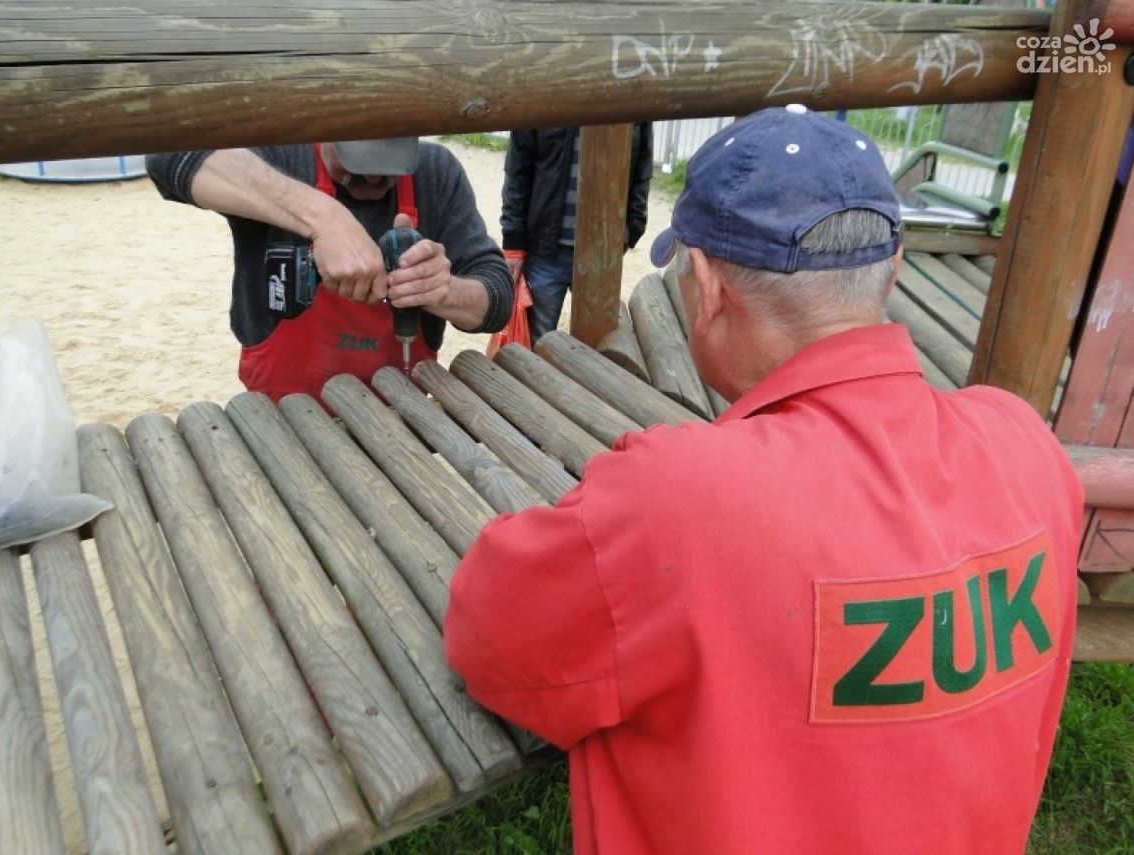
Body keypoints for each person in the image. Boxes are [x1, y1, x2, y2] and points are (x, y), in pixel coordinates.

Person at [444, 106, 1084, 854]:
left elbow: (491, 636)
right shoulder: (1029, 449)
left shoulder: (674, 501)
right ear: (891, 271)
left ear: (708, 287)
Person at [147, 137, 512, 402]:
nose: (372, 180)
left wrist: (444, 291)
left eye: (387, 172)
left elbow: (497, 300)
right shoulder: (279, 154)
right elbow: (168, 153)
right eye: (359, 168)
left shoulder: (435, 172)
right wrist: (322, 217)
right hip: (284, 414)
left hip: (398, 414)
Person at [500, 125, 653, 343]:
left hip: (602, 253)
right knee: (536, 347)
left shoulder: (632, 97)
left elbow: (642, 168)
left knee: (598, 346)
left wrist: (631, 230)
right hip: (546, 250)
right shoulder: (541, 94)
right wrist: (513, 243)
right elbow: (517, 169)